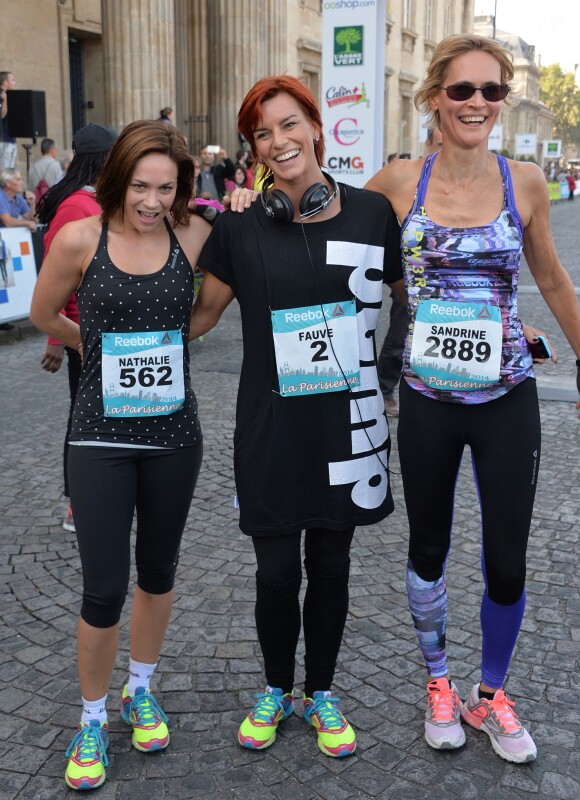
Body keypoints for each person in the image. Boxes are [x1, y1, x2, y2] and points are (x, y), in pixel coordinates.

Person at [365, 34, 580, 764]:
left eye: (492, 91)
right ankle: (438, 683)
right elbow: (334, 244)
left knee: (508, 560)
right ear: (435, 98)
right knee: (428, 549)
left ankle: (490, 696)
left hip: (506, 397)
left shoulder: (523, 181)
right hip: (427, 398)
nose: (478, 104)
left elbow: (551, 280)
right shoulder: (398, 183)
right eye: (463, 91)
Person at [191, 75, 404, 759]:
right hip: (271, 425)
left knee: (333, 563)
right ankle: (276, 688)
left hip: (347, 424)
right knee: (277, 569)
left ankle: (322, 692)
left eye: (288, 124)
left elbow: (414, 300)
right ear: (252, 147)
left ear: (315, 125)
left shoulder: (371, 214)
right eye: (262, 133)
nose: (279, 141)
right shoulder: (241, 226)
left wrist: (393, 378)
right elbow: (198, 316)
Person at [30, 119, 211, 790]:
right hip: (99, 437)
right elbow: (45, 313)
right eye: (140, 185)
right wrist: (95, 345)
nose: (151, 201)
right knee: (104, 586)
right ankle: (92, 717)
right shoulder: (81, 236)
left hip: (173, 436)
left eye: (165, 188)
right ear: (117, 179)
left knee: (157, 572)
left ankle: (142, 687)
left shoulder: (194, 236)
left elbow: (211, 309)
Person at [37, 122, 118, 533]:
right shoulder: (74, 207)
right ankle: (77, 504)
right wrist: (59, 337)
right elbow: (54, 280)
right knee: (84, 419)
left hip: (105, 331)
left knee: (107, 415)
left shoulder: (100, 200)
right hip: (82, 334)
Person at [0, 71, 17, 170]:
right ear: (5, 82)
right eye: (12, 80)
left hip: (11, 139)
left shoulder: (10, 95)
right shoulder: (2, 95)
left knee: (10, 172)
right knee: (4, 172)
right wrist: (5, 100)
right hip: (3, 140)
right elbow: (1, 115)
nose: (15, 83)